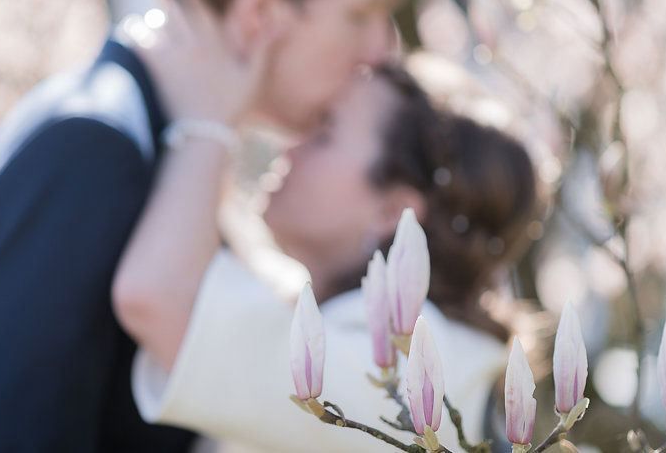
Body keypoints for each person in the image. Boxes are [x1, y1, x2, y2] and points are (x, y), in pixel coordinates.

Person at [0, 0, 413, 451]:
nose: (380, 50)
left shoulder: (158, 149)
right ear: (261, 9)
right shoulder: (91, 152)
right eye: (360, 14)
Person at [113, 65, 538, 452]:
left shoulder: (409, 376)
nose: (291, 146)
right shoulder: (402, 342)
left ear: (391, 212)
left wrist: (208, 116)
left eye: (323, 132)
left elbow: (158, 298)